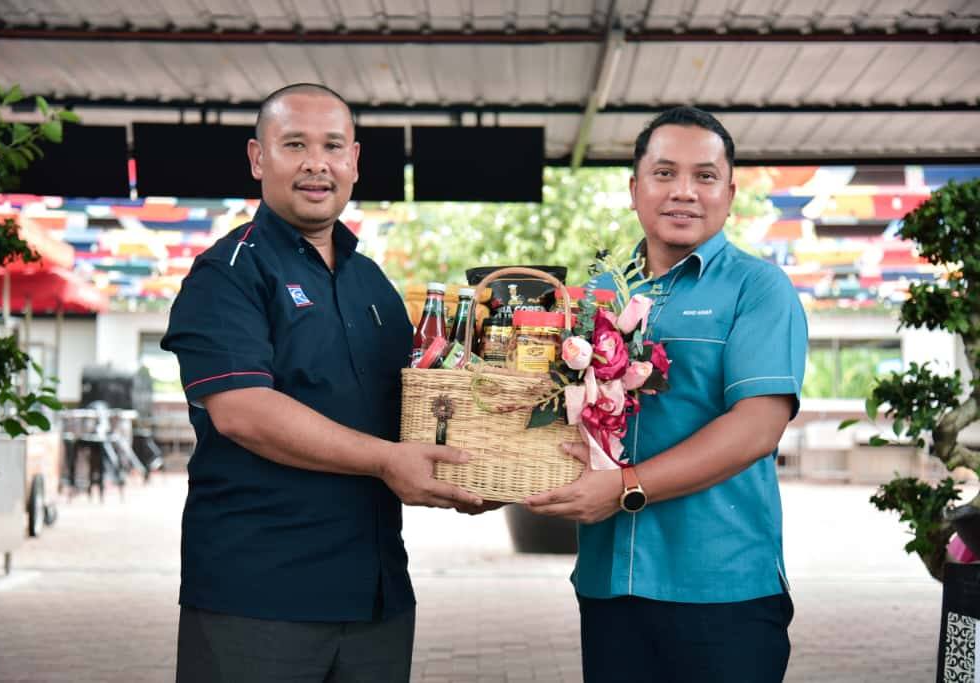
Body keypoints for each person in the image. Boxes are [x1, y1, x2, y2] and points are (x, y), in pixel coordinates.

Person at [161, 83, 483, 683]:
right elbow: (243, 411)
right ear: (258, 158)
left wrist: (478, 468)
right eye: (294, 145)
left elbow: (413, 414)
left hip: (376, 598)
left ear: (354, 161)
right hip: (258, 598)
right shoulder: (227, 273)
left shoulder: (373, 284)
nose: (317, 163)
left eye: (333, 146)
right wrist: (387, 460)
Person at [525, 106, 808, 683]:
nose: (684, 191)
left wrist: (624, 487)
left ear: (729, 194)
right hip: (610, 582)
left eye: (705, 176)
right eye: (664, 173)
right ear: (634, 189)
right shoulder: (597, 295)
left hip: (721, 587)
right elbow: (560, 413)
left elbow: (758, 427)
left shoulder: (758, 289)